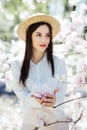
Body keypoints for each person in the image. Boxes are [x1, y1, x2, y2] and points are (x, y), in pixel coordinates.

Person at [10, 13, 69, 130]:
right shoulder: (16, 63)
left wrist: (54, 100)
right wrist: (34, 99)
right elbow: (20, 92)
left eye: (48, 35)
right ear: (29, 36)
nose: (44, 40)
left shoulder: (59, 61)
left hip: (56, 122)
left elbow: (62, 90)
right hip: (30, 123)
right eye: (38, 35)